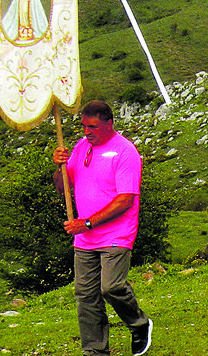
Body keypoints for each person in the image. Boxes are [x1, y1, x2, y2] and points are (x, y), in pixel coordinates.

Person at [52, 100, 153, 356]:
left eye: (93, 127)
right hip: (85, 238)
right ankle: (95, 351)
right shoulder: (81, 146)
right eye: (84, 126)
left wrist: (86, 222)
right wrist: (59, 166)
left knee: (111, 287)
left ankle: (139, 324)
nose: (87, 132)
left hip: (116, 234)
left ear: (109, 124)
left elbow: (125, 199)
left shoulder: (125, 151)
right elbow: (62, 186)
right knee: (86, 297)